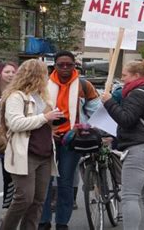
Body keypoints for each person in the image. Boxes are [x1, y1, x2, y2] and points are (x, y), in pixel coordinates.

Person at [101, 60, 144, 230]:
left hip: (138, 149)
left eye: (124, 75)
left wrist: (109, 102)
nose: (122, 79)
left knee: (130, 196)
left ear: (136, 76)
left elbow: (127, 119)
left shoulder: (137, 94)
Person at [0, 59, 64, 230]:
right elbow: (15, 123)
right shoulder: (16, 96)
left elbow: (42, 123)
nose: (48, 77)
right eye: (45, 74)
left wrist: (53, 120)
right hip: (25, 153)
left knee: (38, 201)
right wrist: (45, 117)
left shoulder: (42, 97)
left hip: (44, 153)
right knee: (24, 198)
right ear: (36, 76)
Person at [40, 51, 101, 230]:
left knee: (65, 182)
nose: (65, 68)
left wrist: (84, 127)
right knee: (45, 182)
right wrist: (48, 129)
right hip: (46, 139)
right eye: (61, 65)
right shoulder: (43, 85)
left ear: (75, 66)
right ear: (55, 66)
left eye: (69, 64)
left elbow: (97, 113)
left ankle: (62, 222)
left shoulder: (84, 85)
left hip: (72, 140)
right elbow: (35, 111)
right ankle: (43, 221)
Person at [0, 61, 17, 218]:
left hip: (9, 137)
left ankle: (6, 209)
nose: (10, 75)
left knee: (9, 175)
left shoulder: (18, 91)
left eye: (13, 72)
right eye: (7, 72)